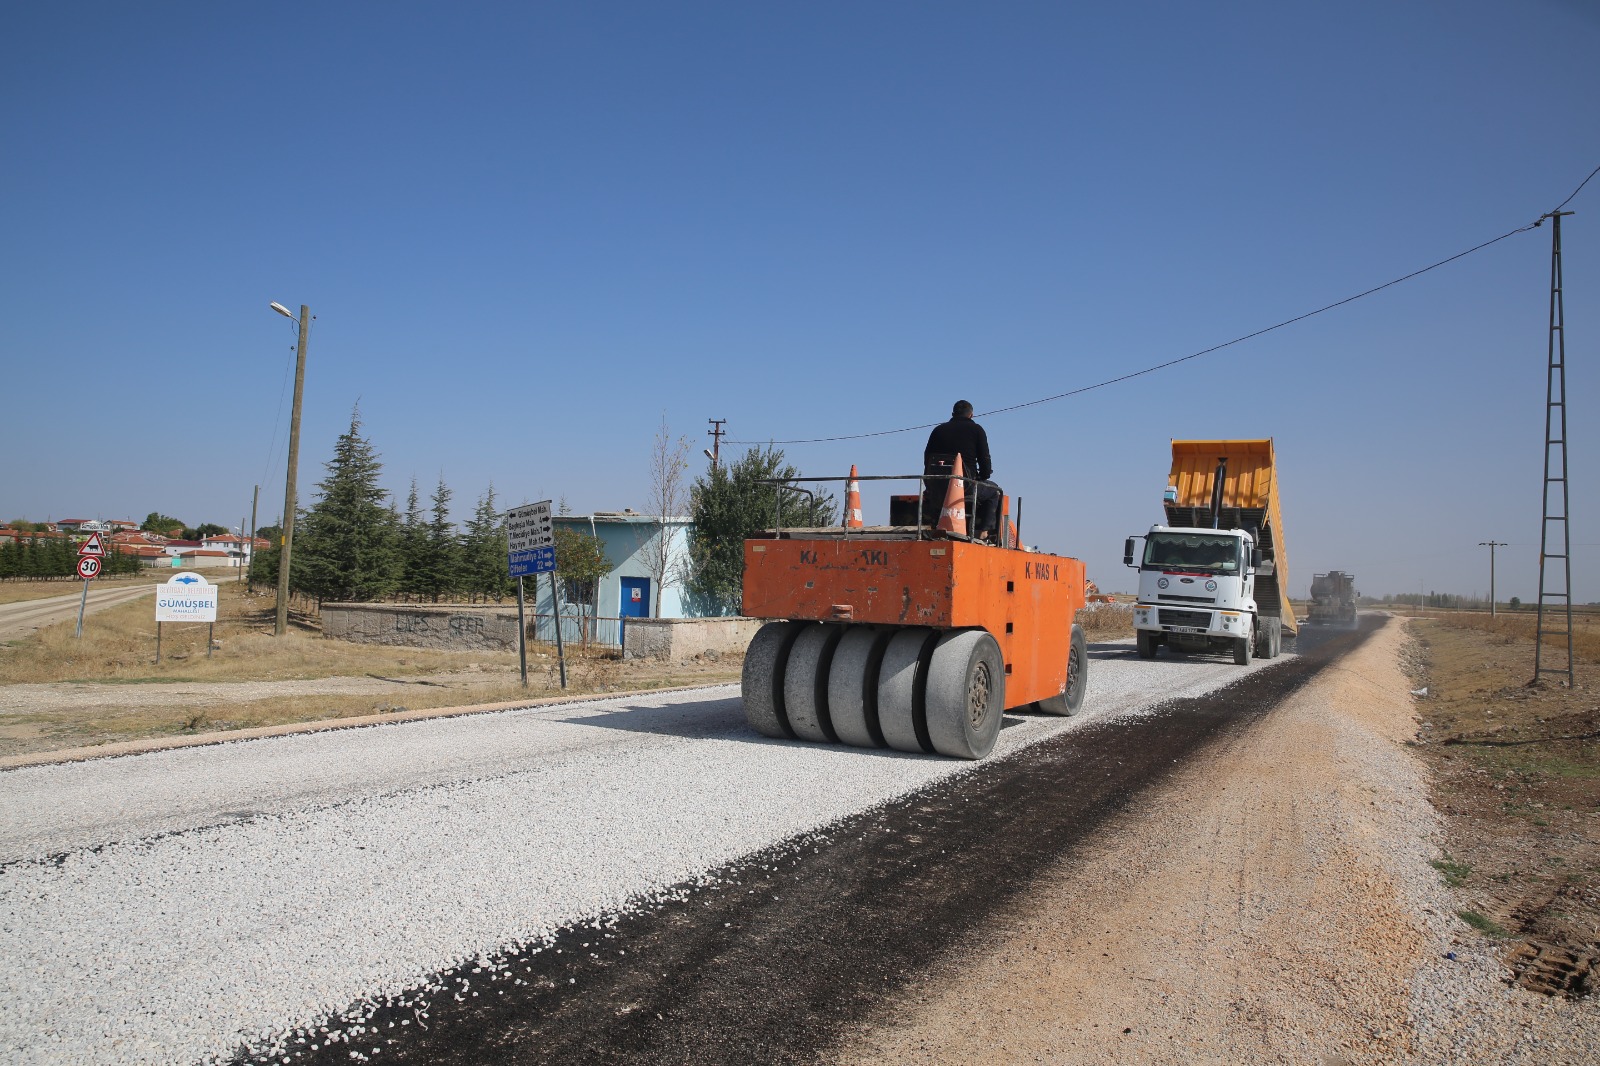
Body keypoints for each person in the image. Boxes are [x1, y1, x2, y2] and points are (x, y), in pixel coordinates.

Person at [921, 400, 1000, 537]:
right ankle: (983, 531)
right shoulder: (977, 430)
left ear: (953, 414)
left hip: (936, 485)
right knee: (994, 491)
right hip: (965, 485)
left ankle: (934, 524)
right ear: (971, 415)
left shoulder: (938, 430)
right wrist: (984, 475)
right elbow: (984, 460)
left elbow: (927, 458)